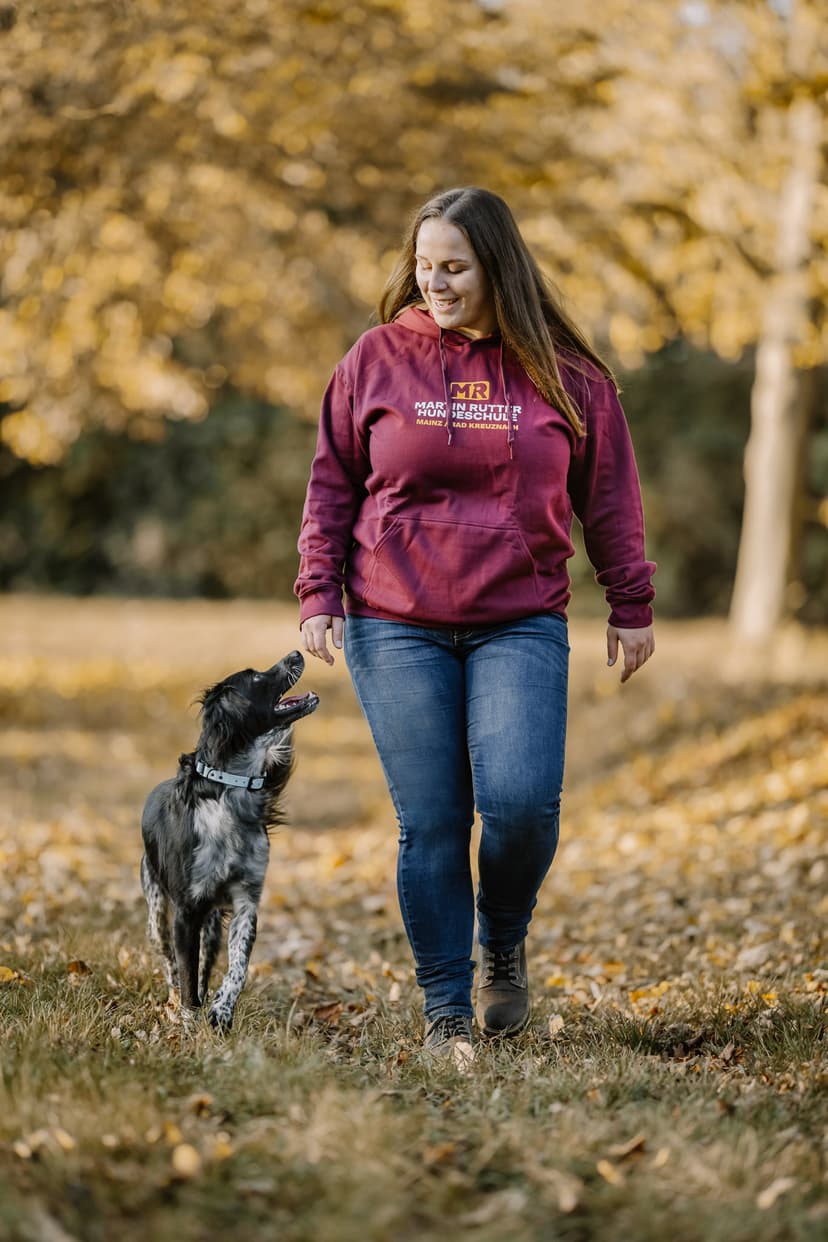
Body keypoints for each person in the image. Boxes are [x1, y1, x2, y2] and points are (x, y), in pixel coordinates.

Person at [295, 187, 655, 1066]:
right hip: (395, 619)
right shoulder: (375, 359)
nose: (435, 284)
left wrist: (631, 600)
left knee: (523, 806)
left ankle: (504, 938)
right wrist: (318, 591)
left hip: (520, 619)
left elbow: (608, 495)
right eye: (424, 267)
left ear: (499, 266)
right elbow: (333, 481)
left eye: (453, 267)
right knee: (432, 820)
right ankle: (448, 1005)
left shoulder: (568, 375)